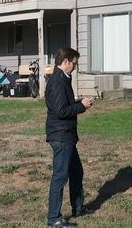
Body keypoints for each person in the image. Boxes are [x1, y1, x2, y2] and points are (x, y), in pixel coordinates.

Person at [45, 47, 93, 227]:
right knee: (60, 176)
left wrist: (79, 102)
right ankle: (54, 218)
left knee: (76, 172)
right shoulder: (57, 80)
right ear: (65, 62)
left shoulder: (63, 78)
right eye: (74, 63)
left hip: (67, 135)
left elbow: (64, 104)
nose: (75, 67)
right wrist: (82, 107)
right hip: (61, 135)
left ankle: (78, 208)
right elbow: (61, 111)